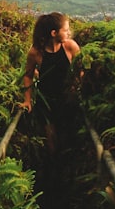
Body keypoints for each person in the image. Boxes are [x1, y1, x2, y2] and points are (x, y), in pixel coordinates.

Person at [22, 12, 81, 157]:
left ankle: (67, 167)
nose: (69, 33)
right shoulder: (36, 53)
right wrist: (27, 100)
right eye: (65, 30)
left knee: (67, 137)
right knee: (51, 140)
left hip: (68, 100)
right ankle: (53, 167)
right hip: (47, 102)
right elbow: (28, 76)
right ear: (54, 33)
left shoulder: (70, 47)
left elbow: (81, 70)